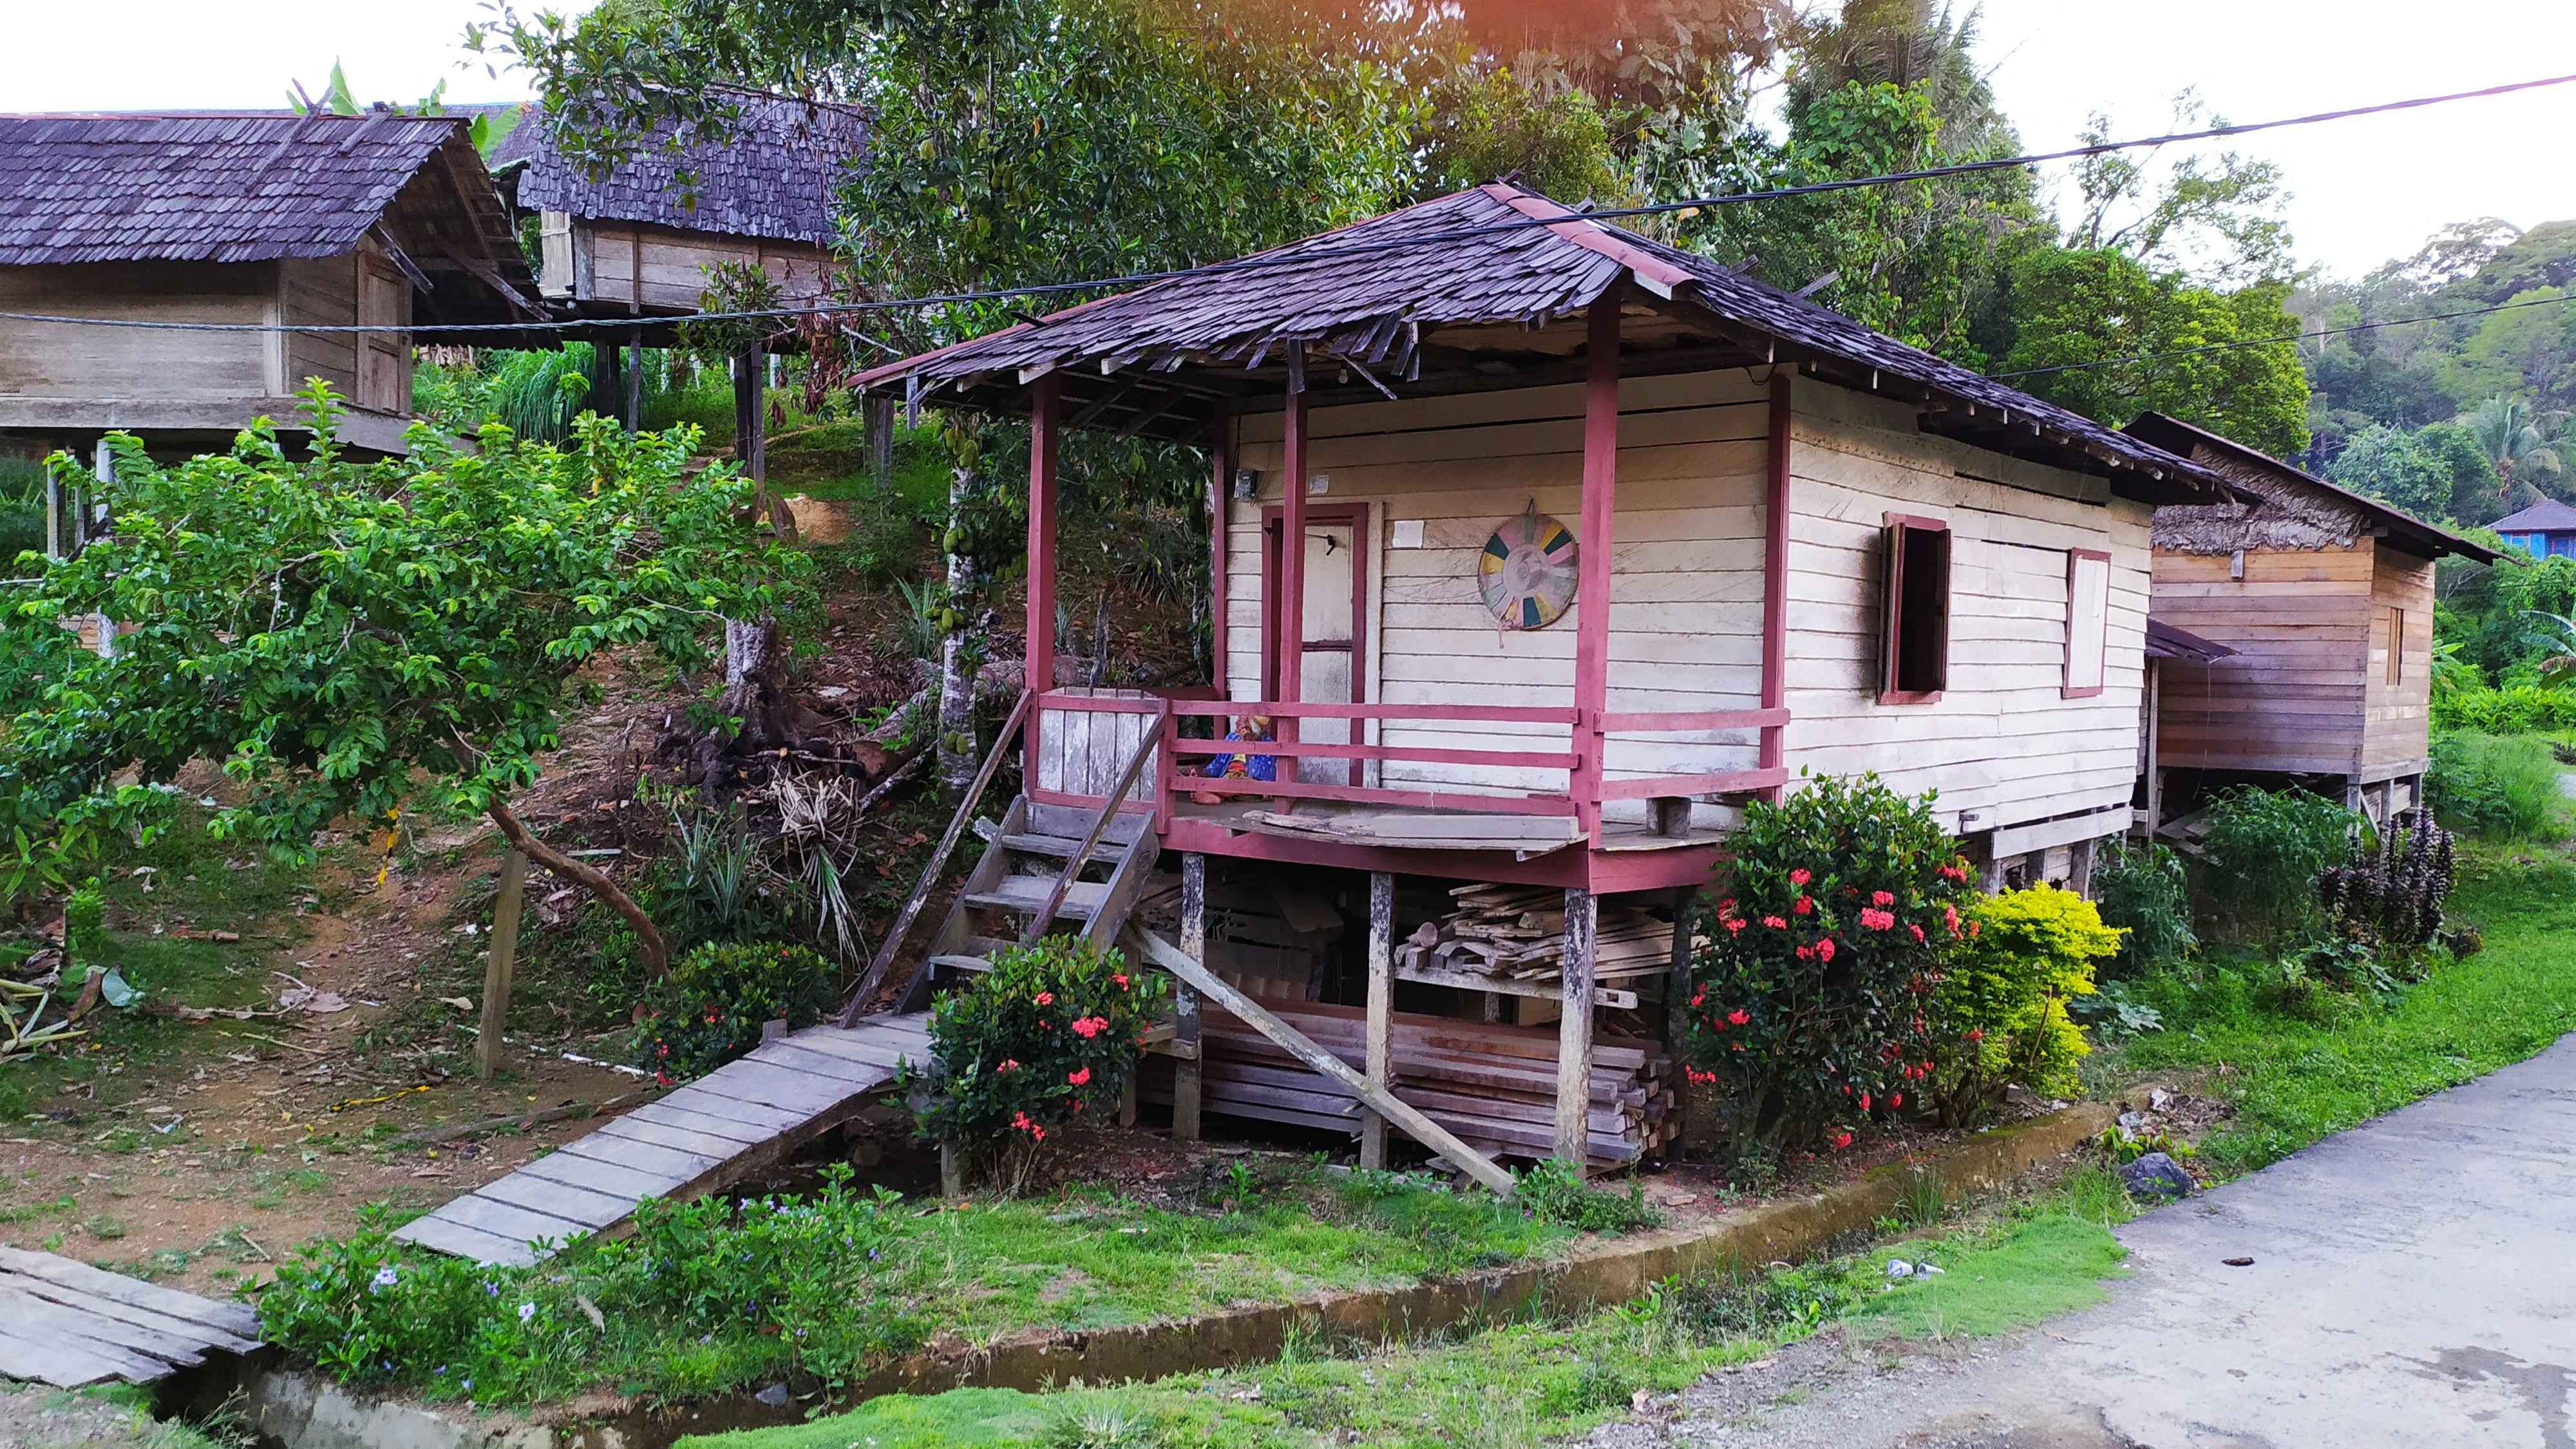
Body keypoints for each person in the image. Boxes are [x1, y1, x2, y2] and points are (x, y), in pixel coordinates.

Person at [1193, 713, 1276, 805]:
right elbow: (1218, 764)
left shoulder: (1268, 746)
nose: (1236, 722)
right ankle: (1215, 793)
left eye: (1241, 720)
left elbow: (1262, 777)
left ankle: (1210, 791)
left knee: (1242, 784)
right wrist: (1203, 773)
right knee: (1228, 781)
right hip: (1228, 779)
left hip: (1249, 783)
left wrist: (1248, 748)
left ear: (1252, 727)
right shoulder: (1232, 737)